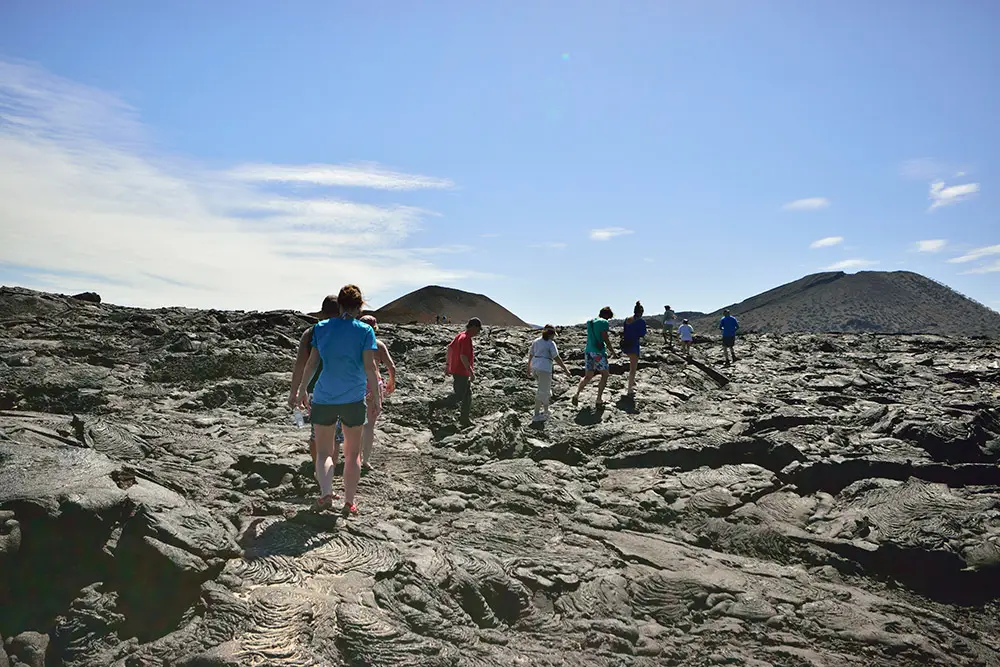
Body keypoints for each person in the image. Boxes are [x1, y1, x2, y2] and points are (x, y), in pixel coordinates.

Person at [293, 285, 380, 517]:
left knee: (324, 454)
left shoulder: (321, 328)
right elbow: (371, 367)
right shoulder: (365, 331)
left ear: (340, 304)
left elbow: (311, 364)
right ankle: (349, 502)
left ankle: (325, 494)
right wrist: (376, 398)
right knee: (353, 455)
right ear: (360, 306)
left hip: (324, 398)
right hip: (353, 398)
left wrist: (302, 389)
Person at [288, 295, 340, 473]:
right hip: (343, 391)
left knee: (316, 431)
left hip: (314, 391)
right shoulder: (349, 332)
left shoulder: (311, 333)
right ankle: (330, 468)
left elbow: (300, 365)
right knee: (335, 433)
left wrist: (294, 392)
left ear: (322, 312)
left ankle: (319, 467)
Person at [358, 315, 397, 472]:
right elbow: (391, 366)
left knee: (354, 424)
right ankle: (365, 460)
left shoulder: (354, 345)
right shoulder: (379, 345)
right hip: (374, 386)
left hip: (356, 386)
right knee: (369, 426)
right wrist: (391, 382)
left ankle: (353, 457)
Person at [428, 317, 482, 427]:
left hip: (457, 371)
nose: (478, 332)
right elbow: (463, 357)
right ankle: (435, 404)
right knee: (458, 396)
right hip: (461, 372)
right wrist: (471, 372)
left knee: (467, 396)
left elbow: (450, 348)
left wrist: (448, 365)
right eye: (478, 329)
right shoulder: (466, 338)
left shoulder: (459, 336)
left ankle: (464, 419)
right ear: (473, 327)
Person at [572, 306, 617, 407]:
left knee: (588, 376)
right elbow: (605, 338)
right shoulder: (603, 322)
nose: (608, 320)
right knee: (605, 374)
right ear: (606, 315)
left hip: (588, 351)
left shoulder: (590, 322)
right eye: (608, 318)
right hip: (598, 352)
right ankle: (599, 399)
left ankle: (577, 394)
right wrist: (612, 351)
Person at [525, 324, 571, 422]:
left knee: (544, 389)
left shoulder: (536, 341)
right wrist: (565, 370)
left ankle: (546, 410)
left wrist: (529, 367)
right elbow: (556, 357)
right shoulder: (550, 343)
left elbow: (531, 354)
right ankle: (536, 415)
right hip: (544, 369)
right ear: (552, 334)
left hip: (535, 368)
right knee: (542, 391)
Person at [621, 301, 648, 396]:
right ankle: (630, 389)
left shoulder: (627, 319)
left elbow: (624, 331)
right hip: (634, 345)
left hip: (626, 344)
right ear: (641, 312)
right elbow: (642, 334)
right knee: (633, 368)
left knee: (631, 365)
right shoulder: (641, 321)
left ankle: (631, 382)